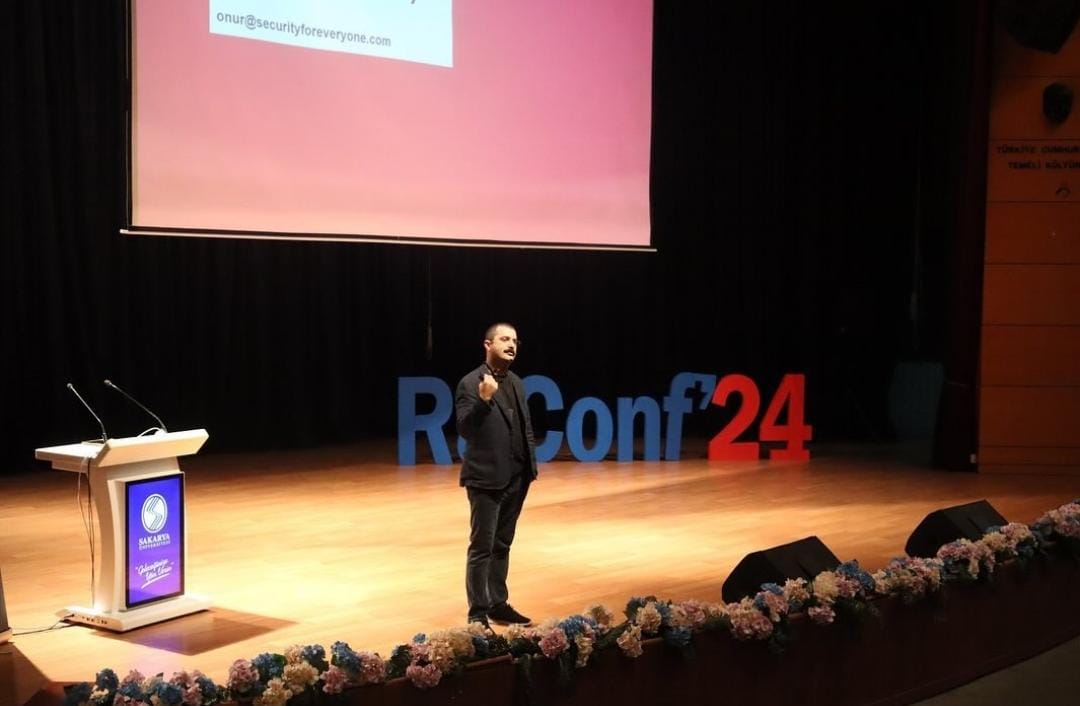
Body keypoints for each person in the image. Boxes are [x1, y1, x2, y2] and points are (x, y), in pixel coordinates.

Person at [455, 322, 537, 627]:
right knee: (482, 548)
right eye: (504, 339)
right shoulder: (470, 383)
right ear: (487, 344)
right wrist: (484, 400)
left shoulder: (516, 382)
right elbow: (465, 428)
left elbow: (525, 427)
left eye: (515, 340)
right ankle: (477, 613)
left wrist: (530, 468)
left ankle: (497, 603)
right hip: (486, 478)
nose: (512, 344)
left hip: (517, 477)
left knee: (503, 544)